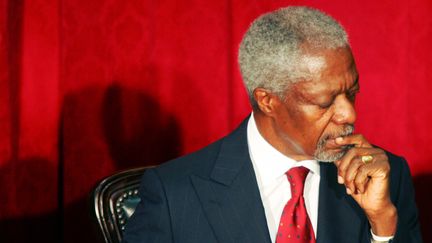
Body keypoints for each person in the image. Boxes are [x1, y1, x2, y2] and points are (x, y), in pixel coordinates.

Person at [122, 6, 422, 243]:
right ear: (267, 101)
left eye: (351, 94)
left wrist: (382, 224)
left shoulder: (386, 178)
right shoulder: (176, 194)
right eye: (324, 102)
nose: (348, 115)